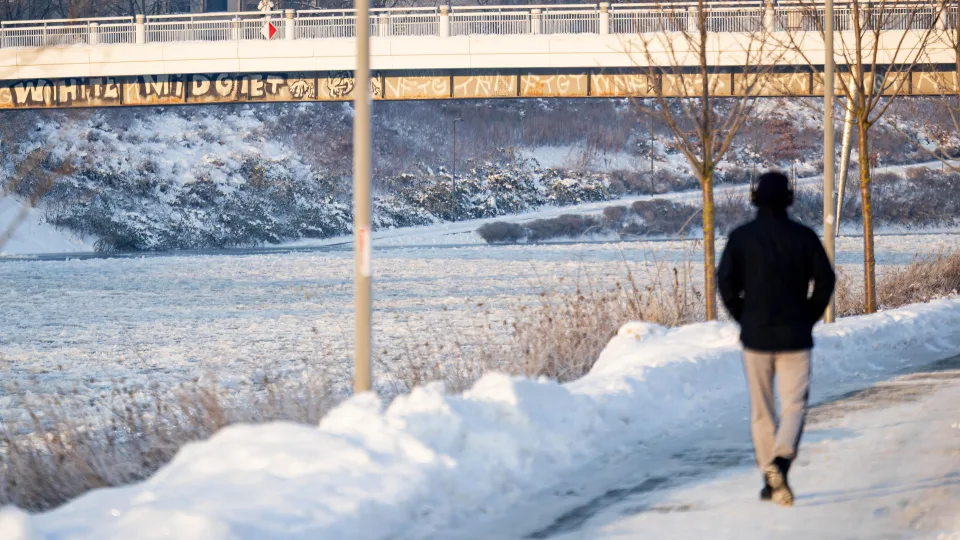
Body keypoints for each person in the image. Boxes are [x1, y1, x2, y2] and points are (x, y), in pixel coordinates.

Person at [716, 171, 836, 507]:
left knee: (762, 409)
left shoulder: (741, 238)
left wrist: (743, 315)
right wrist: (808, 316)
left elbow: (725, 282)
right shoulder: (804, 236)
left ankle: (769, 475)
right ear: (789, 198)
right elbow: (825, 280)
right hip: (795, 336)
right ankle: (780, 463)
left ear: (755, 198)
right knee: (794, 404)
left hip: (756, 337)